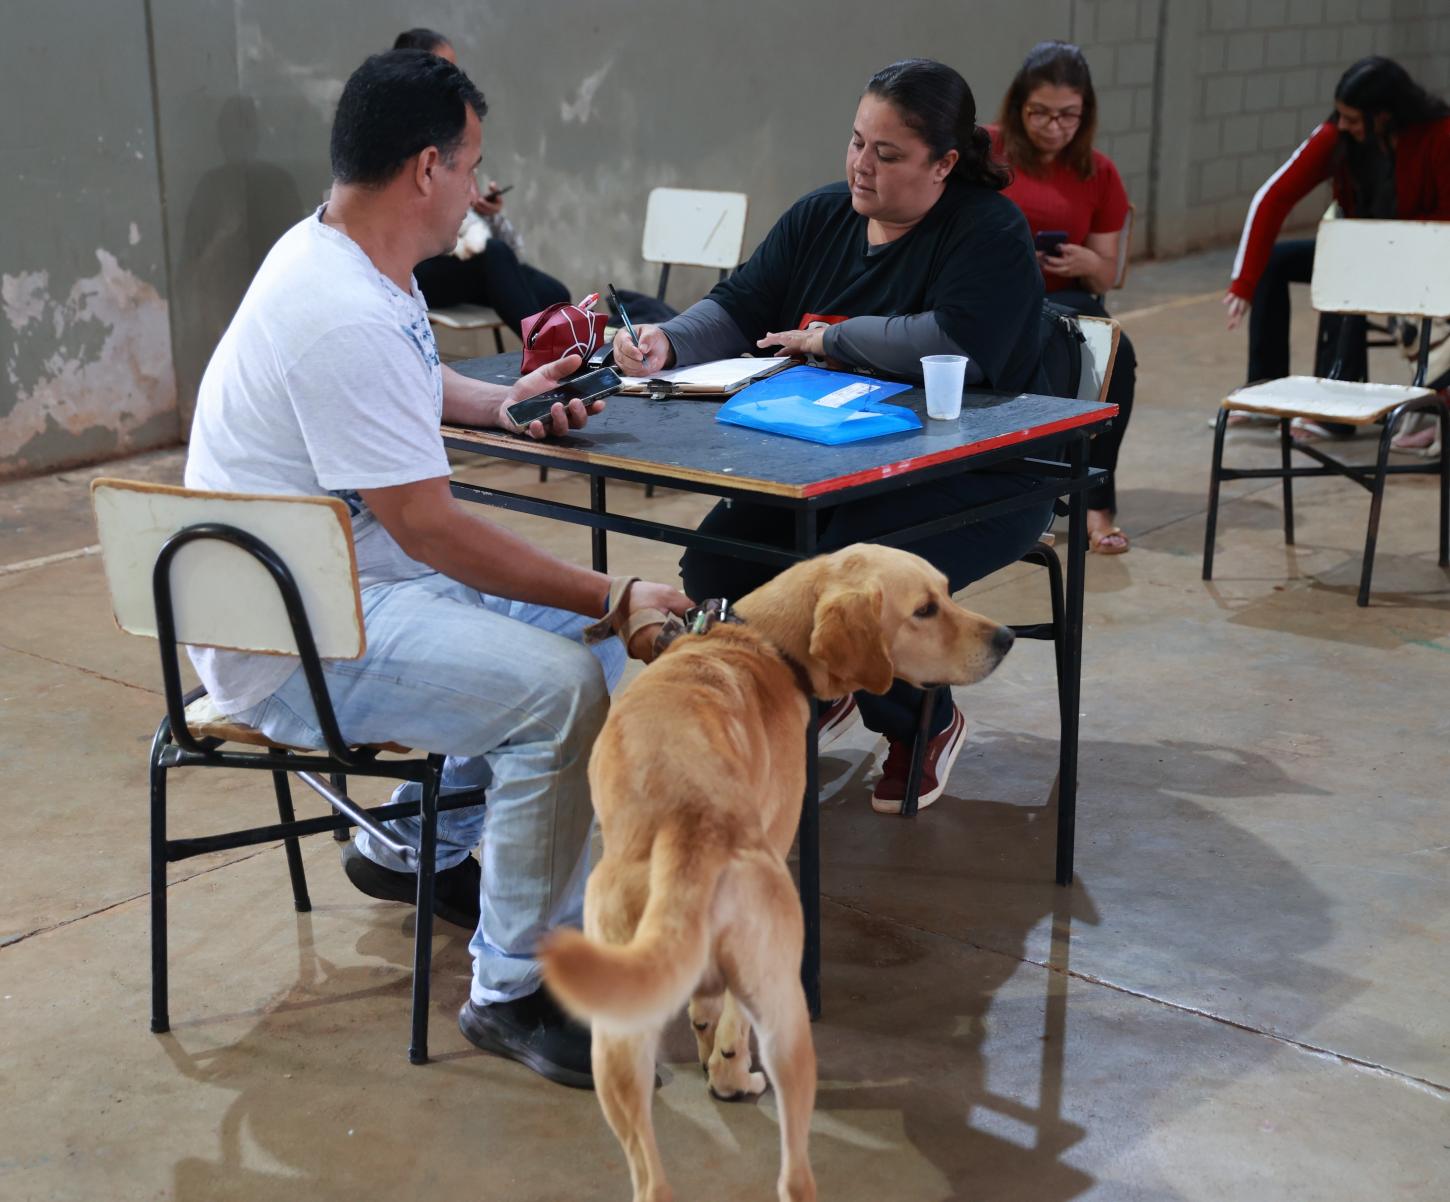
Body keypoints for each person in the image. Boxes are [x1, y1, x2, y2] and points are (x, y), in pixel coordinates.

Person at [183, 49, 691, 1089]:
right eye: (472, 168)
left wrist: (507, 398)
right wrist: (611, 592)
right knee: (561, 682)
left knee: (597, 657)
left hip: (342, 582)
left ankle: (424, 840)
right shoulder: (341, 308)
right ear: (425, 168)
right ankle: (511, 990)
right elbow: (432, 529)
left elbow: (410, 386)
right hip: (297, 633)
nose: (478, 191)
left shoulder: (345, 254)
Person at [612, 58, 1053, 815]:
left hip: (979, 478)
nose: (861, 166)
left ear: (945, 163)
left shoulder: (989, 231)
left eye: (887, 155)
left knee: (849, 585)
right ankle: (813, 694)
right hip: (830, 462)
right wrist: (669, 341)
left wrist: (829, 340)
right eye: (856, 143)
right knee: (719, 562)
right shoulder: (821, 217)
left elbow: (953, 337)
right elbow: (741, 303)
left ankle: (923, 721)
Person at [1223, 56, 1450, 444]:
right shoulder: (1337, 136)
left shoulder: (1439, 135)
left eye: (1351, 117)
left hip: (1424, 257)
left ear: (1383, 115)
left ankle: (1337, 408)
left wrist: (1394, 248)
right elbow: (1273, 197)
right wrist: (1243, 282)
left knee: (1345, 272)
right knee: (1277, 263)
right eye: (1339, 115)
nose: (1340, 123)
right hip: (1364, 251)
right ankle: (1266, 385)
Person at [992, 41, 1137, 555]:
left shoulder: (1098, 172)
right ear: (1019, 107)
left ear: (1086, 113)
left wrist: (1083, 262)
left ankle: (1097, 503)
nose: (1054, 127)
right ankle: (1030, 494)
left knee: (1116, 355)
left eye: (1068, 116)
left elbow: (1106, 273)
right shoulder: (988, 150)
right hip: (997, 293)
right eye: (1041, 113)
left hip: (1068, 298)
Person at [393, 27, 571, 335]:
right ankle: (543, 351)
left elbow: (510, 249)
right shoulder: (400, 135)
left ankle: (563, 353)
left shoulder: (451, 132)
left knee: (554, 294)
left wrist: (489, 214)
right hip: (418, 266)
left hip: (469, 257)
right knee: (496, 255)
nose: (454, 81)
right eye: (443, 68)